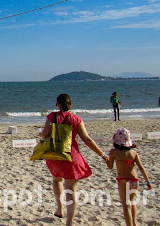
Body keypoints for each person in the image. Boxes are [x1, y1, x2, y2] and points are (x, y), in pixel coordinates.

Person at [39, 94, 108, 226]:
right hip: (71, 157)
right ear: (70, 105)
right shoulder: (76, 120)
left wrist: (40, 135)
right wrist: (103, 155)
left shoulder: (52, 117)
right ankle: (69, 222)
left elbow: (44, 134)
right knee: (71, 190)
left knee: (56, 180)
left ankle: (59, 209)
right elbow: (87, 139)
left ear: (57, 104)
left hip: (55, 156)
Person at [106, 128, 153, 226]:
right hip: (134, 180)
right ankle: (134, 223)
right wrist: (148, 181)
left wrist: (107, 159)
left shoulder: (114, 152)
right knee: (132, 202)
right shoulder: (133, 153)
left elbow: (110, 166)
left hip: (122, 180)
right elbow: (141, 168)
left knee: (126, 206)